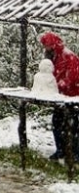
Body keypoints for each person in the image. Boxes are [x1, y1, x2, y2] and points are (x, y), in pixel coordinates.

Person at [40, 32, 79, 160]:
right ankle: (61, 150)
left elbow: (72, 78)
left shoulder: (69, 56)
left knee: (73, 125)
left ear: (53, 44)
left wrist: (58, 85)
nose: (45, 49)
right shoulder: (54, 57)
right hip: (60, 97)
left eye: (47, 46)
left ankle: (75, 153)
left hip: (72, 97)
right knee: (57, 123)